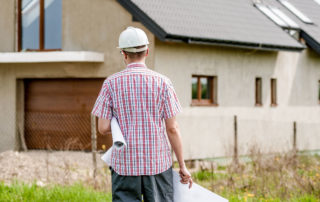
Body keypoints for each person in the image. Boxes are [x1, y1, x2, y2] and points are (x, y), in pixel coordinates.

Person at [92, 26, 192, 202]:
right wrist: (182, 165)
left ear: (123, 54)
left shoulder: (110, 84)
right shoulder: (163, 83)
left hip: (124, 166)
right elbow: (172, 129)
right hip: (157, 164)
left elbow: (103, 127)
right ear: (147, 51)